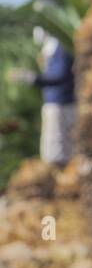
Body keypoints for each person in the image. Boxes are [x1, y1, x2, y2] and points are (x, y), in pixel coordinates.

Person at [9, 27, 77, 166]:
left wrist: (31, 78)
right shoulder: (51, 50)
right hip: (56, 103)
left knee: (58, 148)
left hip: (62, 103)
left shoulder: (61, 47)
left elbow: (59, 76)